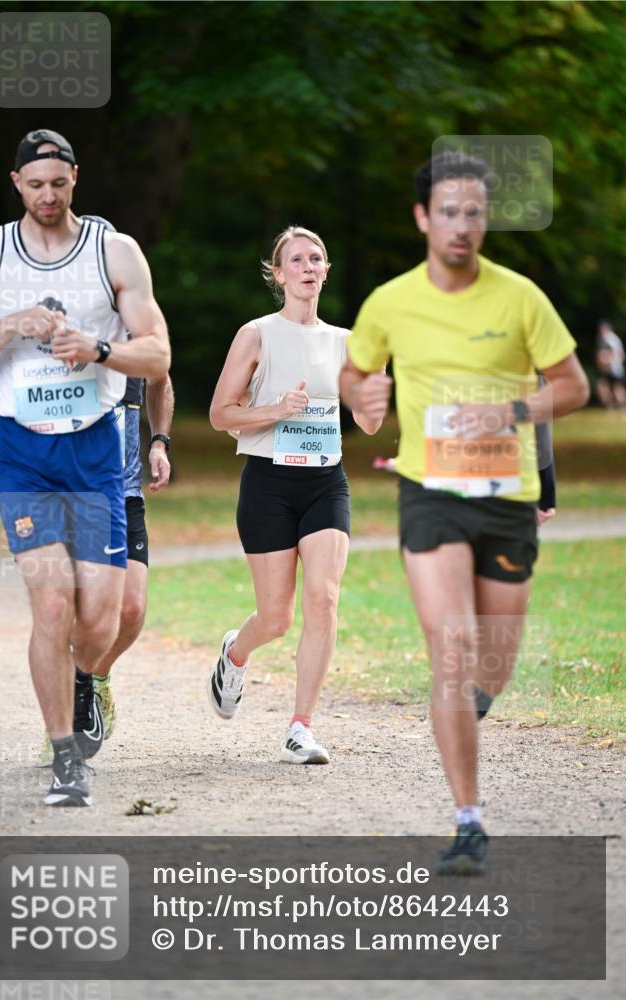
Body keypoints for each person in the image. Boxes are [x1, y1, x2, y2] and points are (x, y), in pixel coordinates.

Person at [340, 152, 589, 872]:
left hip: (507, 497)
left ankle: (470, 706)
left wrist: (511, 408)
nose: (461, 225)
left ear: (485, 220)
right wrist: (362, 398)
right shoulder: (389, 301)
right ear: (423, 217)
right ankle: (468, 820)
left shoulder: (519, 298)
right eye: (447, 211)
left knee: (493, 661)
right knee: (449, 648)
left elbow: (571, 387)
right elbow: (353, 374)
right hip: (430, 492)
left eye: (474, 212)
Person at [0, 129, 171, 807]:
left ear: (75, 178)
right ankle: (63, 758)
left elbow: (159, 354)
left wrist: (101, 348)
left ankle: (89, 677)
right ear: (15, 183)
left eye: (58, 182)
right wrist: (9, 326)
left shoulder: (114, 250)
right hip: (23, 449)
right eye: (35, 184)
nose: (47, 195)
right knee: (51, 604)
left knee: (102, 619)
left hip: (95, 450)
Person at [207, 226, 384, 764]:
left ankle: (300, 727)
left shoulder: (349, 343)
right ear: (279, 273)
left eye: (317, 259)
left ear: (325, 271)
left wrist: (377, 389)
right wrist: (276, 410)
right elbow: (220, 414)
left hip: (326, 481)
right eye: (297, 260)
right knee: (277, 618)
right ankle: (235, 654)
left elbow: (370, 425)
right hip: (267, 482)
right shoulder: (256, 334)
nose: (308, 266)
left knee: (324, 599)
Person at [595, 319, 626, 409]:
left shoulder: (611, 339)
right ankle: (611, 406)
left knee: (616, 389)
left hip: (614, 368)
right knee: (603, 387)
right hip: (606, 369)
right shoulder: (601, 339)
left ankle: (621, 407)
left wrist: (607, 358)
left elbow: (620, 354)